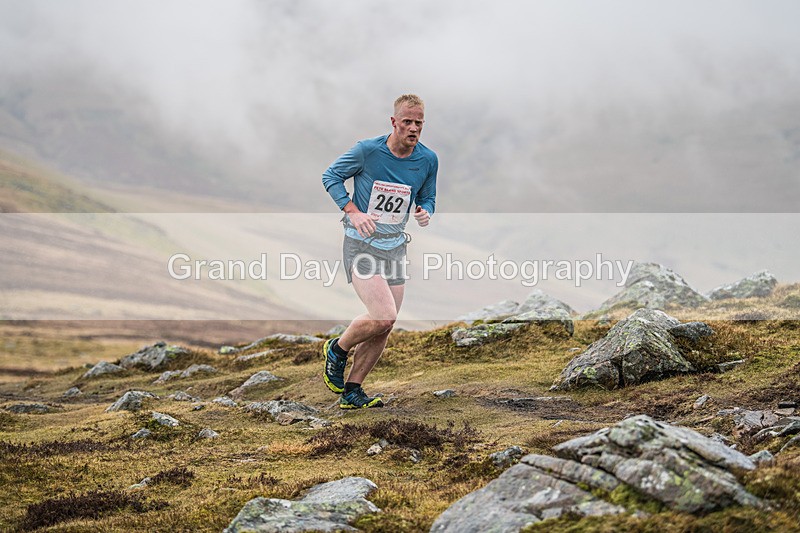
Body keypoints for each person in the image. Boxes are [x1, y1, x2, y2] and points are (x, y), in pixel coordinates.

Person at [321, 94, 438, 409]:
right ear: (394, 122)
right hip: (361, 244)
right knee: (383, 315)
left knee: (385, 325)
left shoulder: (428, 159)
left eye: (419, 123)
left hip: (395, 248)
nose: (413, 128)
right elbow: (330, 176)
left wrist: (425, 211)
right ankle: (337, 349)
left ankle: (352, 391)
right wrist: (353, 212)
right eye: (407, 122)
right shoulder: (367, 151)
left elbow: (428, 196)